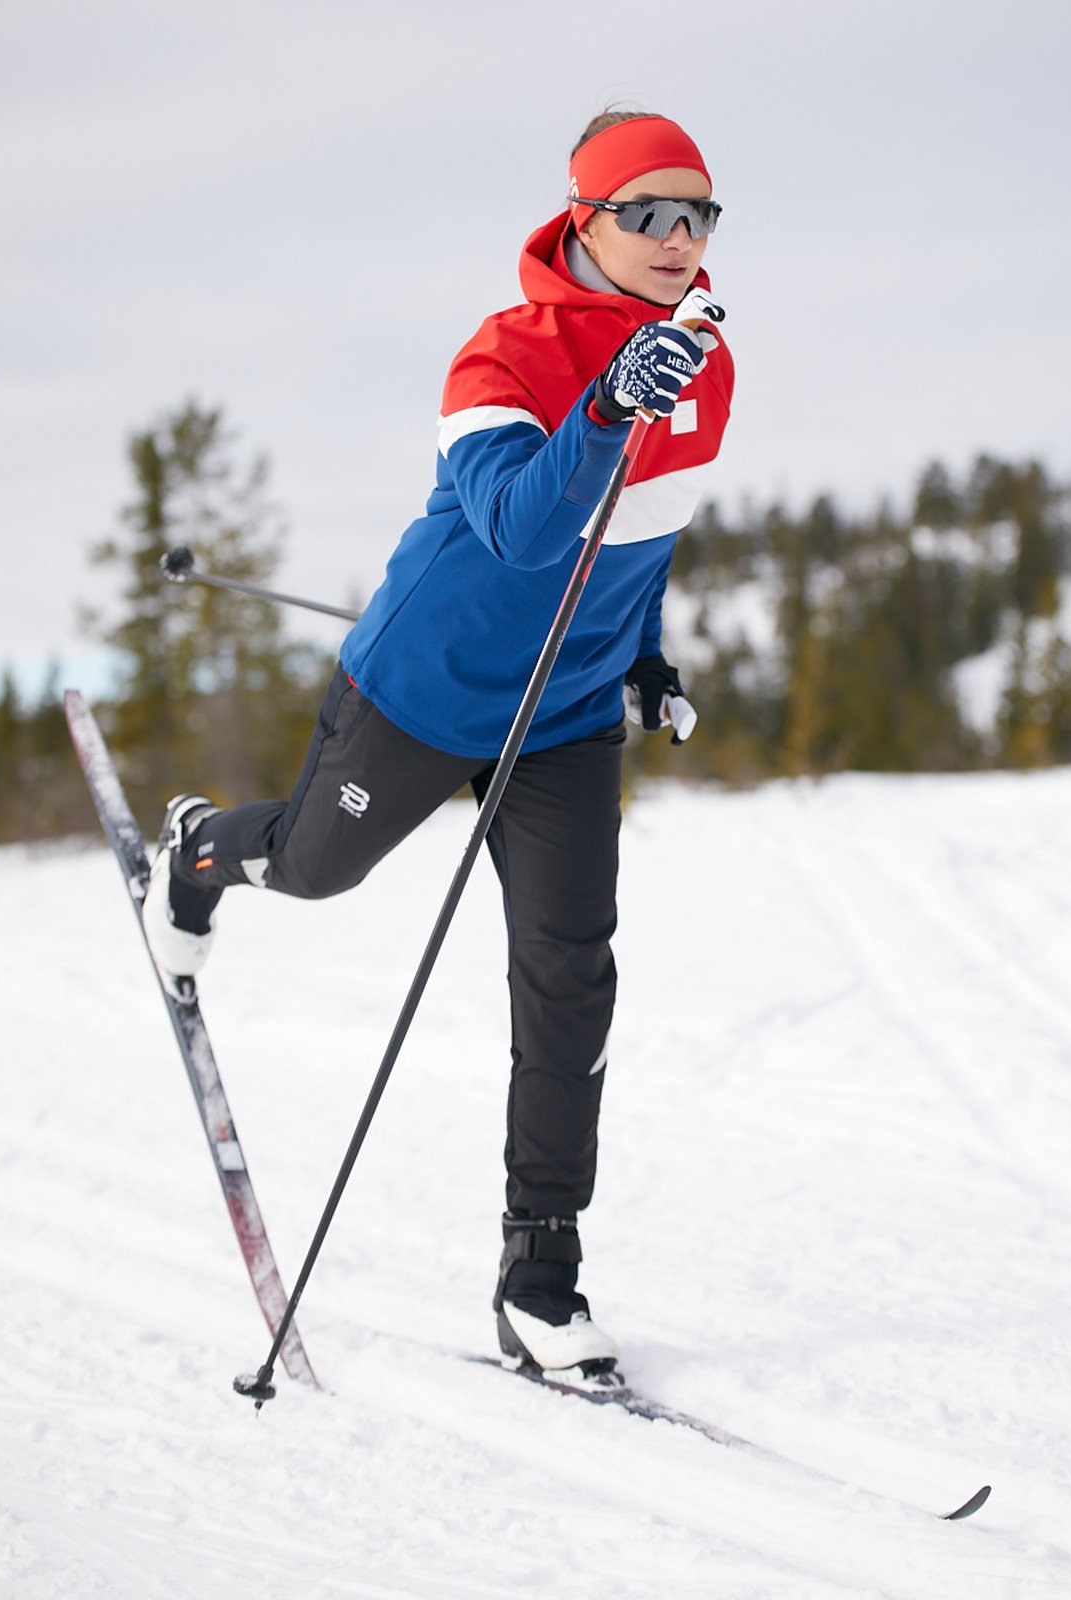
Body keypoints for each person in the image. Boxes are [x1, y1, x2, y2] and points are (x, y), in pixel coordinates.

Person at [143, 110, 733, 1382]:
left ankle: (540, 1275)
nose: (680, 240)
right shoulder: (501, 357)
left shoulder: (703, 362)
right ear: (584, 218)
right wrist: (608, 405)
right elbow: (526, 529)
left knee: (570, 974)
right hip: (429, 687)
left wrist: (639, 655)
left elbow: (646, 532)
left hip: (562, 715)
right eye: (651, 214)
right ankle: (197, 853)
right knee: (310, 867)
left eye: (701, 216)